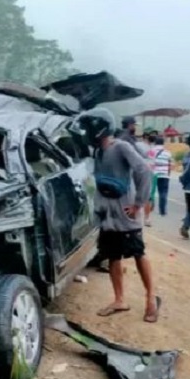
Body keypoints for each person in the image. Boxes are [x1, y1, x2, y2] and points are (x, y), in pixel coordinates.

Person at [75, 108, 159, 323]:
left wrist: (139, 203)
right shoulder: (97, 152)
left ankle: (151, 298)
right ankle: (119, 299)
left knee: (138, 253)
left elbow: (144, 170)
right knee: (113, 256)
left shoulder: (121, 147)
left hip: (126, 213)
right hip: (107, 214)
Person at [147, 136, 172, 217]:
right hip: (164, 175)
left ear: (155, 142)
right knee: (163, 193)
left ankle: (150, 208)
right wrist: (168, 174)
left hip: (154, 174)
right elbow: (170, 165)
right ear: (163, 143)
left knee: (152, 192)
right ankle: (162, 211)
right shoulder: (167, 152)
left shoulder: (151, 151)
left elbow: (149, 164)